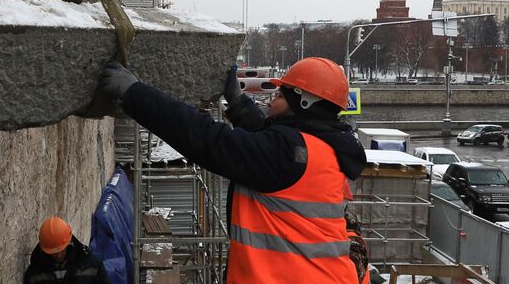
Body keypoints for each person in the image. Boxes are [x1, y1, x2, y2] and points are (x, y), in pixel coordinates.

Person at [100, 57, 367, 283]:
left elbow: (206, 139)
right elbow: (267, 142)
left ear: (303, 102)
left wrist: (135, 94)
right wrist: (238, 103)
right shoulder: (323, 149)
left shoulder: (288, 153)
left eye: (281, 93)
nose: (272, 98)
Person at [24, 216, 111, 284]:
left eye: (61, 250)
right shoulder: (34, 274)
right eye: (54, 252)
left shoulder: (92, 265)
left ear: (69, 243)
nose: (58, 255)